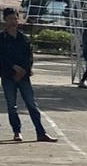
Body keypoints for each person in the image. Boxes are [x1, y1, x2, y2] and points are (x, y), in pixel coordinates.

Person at [1, 10, 57, 143]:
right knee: (11, 105)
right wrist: (13, 68)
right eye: (9, 19)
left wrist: (25, 70)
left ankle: (41, 132)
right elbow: (2, 57)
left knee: (32, 104)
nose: (13, 22)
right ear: (5, 20)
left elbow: (29, 56)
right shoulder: (1, 38)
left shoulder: (23, 38)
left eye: (15, 19)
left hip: (24, 77)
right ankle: (17, 132)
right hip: (8, 76)